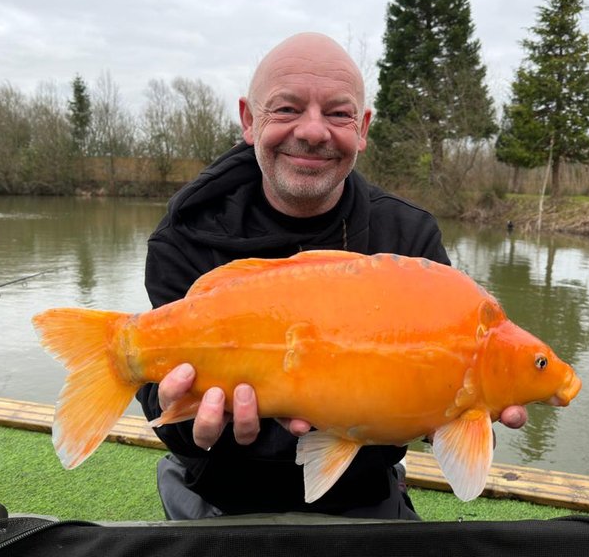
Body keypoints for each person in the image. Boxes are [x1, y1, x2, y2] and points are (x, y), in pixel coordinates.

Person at [136, 32, 527, 520]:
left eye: (339, 113)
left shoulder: (408, 235)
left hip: (362, 489)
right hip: (222, 488)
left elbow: (446, 392)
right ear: (248, 121)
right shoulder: (185, 234)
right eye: (286, 109)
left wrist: (452, 405)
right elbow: (161, 403)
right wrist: (180, 420)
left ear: (362, 129)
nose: (314, 131)